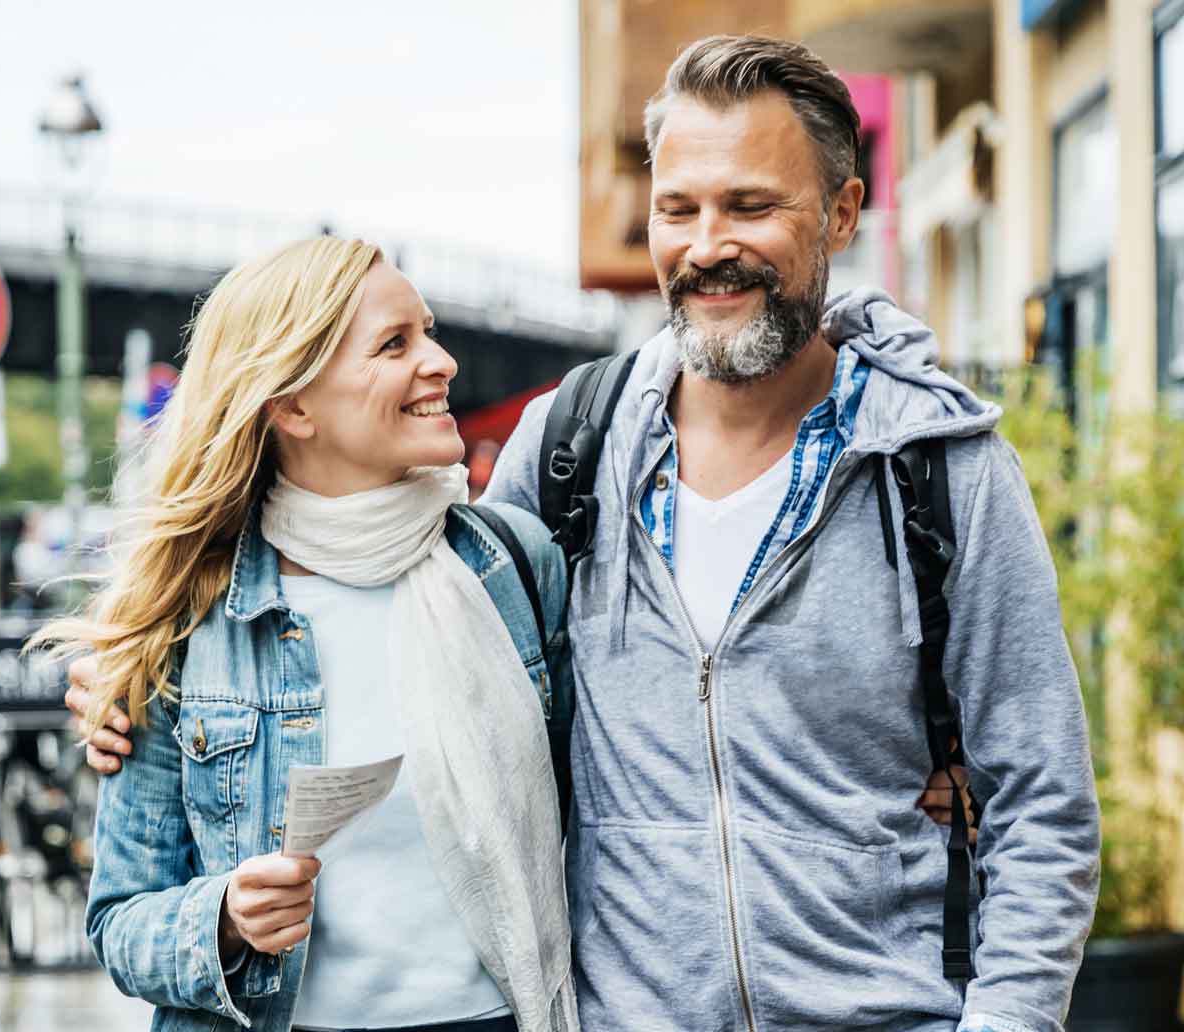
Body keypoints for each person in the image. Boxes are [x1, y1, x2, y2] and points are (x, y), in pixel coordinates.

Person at [75, 35, 1101, 1032]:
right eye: (676, 208)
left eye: (750, 205)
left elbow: (1041, 803)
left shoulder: (938, 470)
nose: (706, 245)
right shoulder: (565, 455)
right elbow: (389, 610)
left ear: (838, 214)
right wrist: (127, 679)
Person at [38, 237, 577, 1032]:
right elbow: (119, 923)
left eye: (427, 331)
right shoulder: (186, 623)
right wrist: (222, 918)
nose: (441, 361)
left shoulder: (514, 567)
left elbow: (601, 822)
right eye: (395, 344)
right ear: (294, 408)